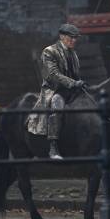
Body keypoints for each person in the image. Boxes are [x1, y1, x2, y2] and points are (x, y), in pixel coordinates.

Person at [27, 23, 86, 159]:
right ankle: (53, 146)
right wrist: (73, 83)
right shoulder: (49, 51)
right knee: (57, 106)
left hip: (72, 89)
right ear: (61, 36)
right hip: (55, 90)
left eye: (75, 38)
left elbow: (75, 73)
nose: (74, 40)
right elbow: (53, 74)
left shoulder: (73, 53)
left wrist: (80, 83)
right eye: (70, 37)